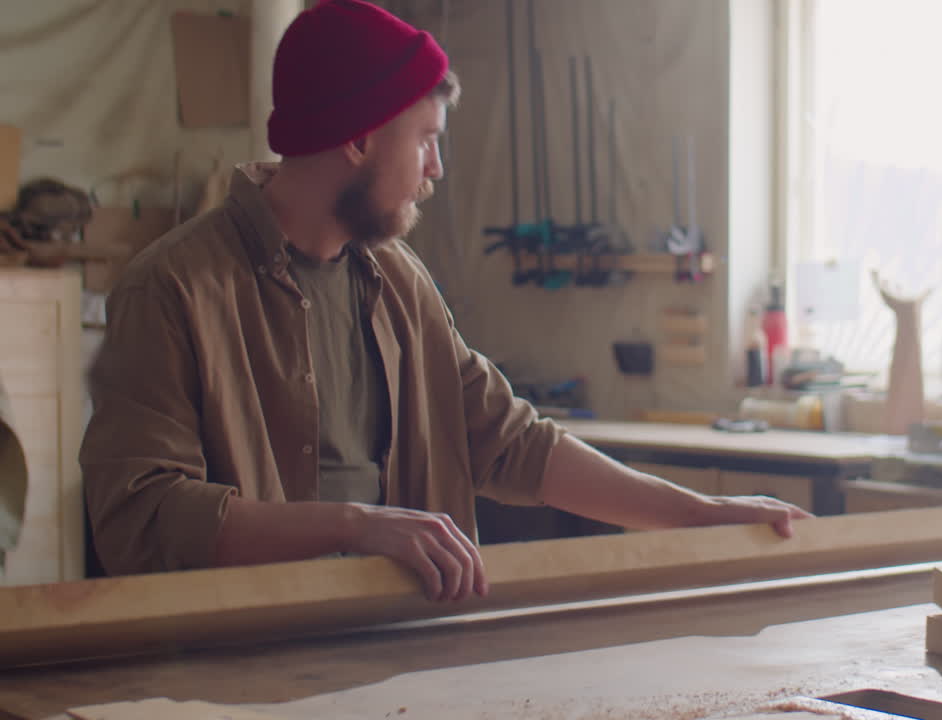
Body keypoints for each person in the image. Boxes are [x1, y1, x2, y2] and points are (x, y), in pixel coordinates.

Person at [81, 0, 811, 602]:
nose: (437, 168)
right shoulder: (171, 289)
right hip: (240, 677)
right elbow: (139, 516)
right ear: (361, 139)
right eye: (426, 139)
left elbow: (512, 440)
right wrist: (354, 525)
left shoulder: (399, 282)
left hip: (399, 655)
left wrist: (699, 515)